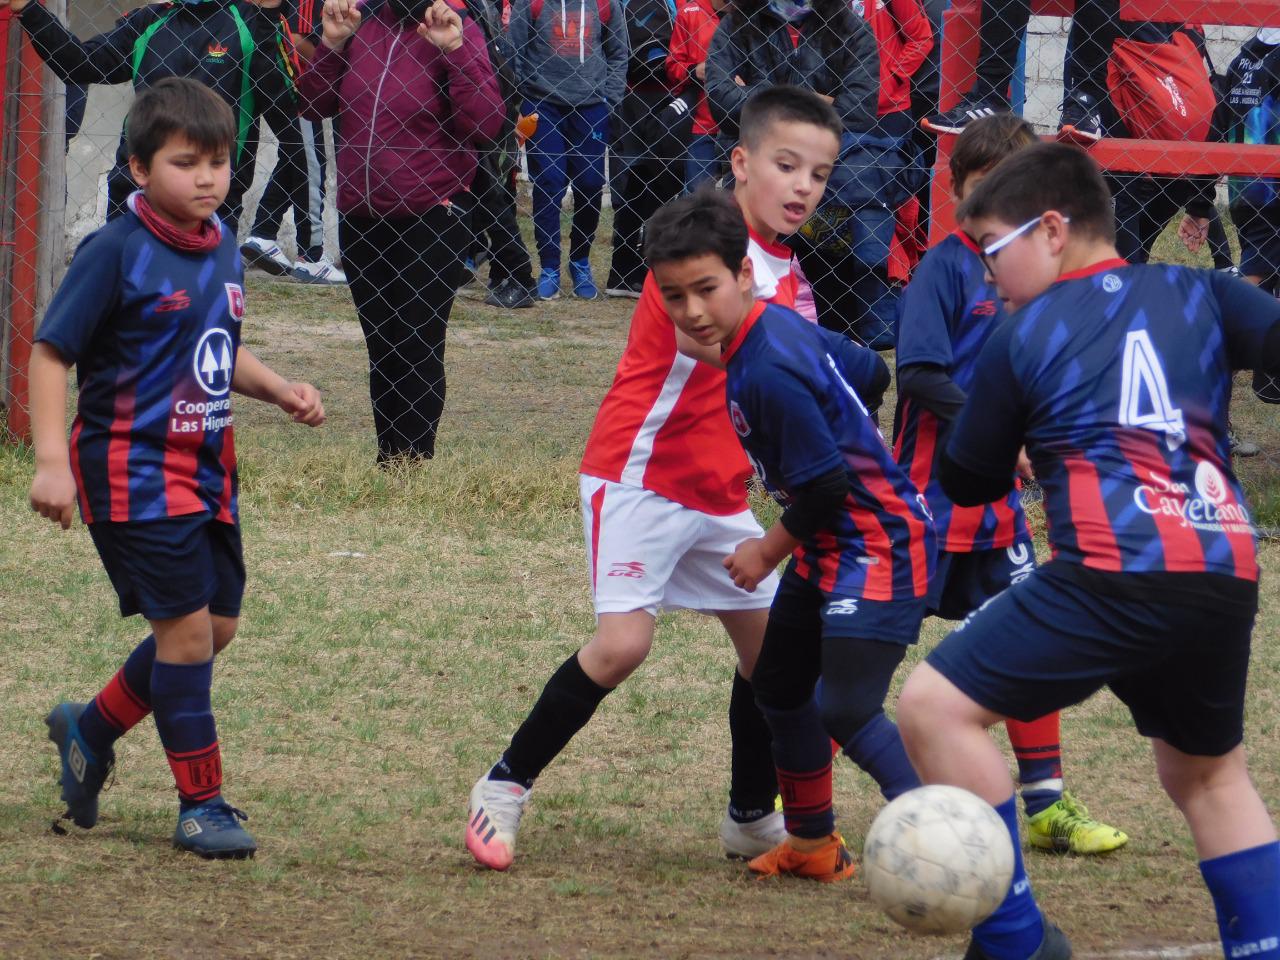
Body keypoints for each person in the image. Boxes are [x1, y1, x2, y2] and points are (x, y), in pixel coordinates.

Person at [897, 142, 1280, 960]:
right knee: (1208, 777)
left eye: (993, 251)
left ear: (1050, 229)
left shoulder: (1024, 328)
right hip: (1222, 567)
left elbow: (967, 479)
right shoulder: (1204, 289)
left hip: (1113, 570)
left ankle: (1017, 940)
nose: (988, 275)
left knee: (934, 709)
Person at [464, 87, 839, 873]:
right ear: (742, 164)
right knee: (623, 646)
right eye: (786, 166)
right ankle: (502, 787)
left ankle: (749, 817)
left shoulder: (783, 268)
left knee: (771, 657)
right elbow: (730, 349)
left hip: (716, 490)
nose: (803, 186)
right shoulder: (696, 250)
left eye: (819, 173)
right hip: (640, 476)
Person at [27, 78, 325, 858]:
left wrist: (277, 388)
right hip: (132, 473)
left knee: (214, 627)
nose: (206, 179)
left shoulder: (221, 242)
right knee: (187, 636)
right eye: (186, 163)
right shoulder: (114, 253)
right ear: (137, 167)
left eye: (219, 164)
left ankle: (87, 733)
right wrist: (52, 462)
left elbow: (217, 347)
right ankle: (203, 806)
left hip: (206, 472)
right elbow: (51, 353)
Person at [650, 187, 934, 883]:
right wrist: (838, 407)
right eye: (673, 296)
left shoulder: (768, 369)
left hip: (878, 544)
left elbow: (829, 486)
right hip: (830, 542)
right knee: (777, 683)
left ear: (746, 274)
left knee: (844, 703)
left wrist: (764, 550)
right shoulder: (770, 330)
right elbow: (869, 369)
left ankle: (936, 834)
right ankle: (811, 843)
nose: (691, 312)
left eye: (706, 290)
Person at [893, 113, 1127, 855]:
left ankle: (1048, 803)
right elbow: (922, 371)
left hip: (997, 506)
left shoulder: (1044, 280)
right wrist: (994, 429)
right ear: (959, 190)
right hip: (927, 499)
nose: (998, 195)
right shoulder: (946, 266)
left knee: (1025, 640)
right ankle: (798, 780)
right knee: (867, 646)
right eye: (982, 181)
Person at [298, 0, 504, 463]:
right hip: (362, 215)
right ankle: (387, 457)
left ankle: (412, 461)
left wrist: (453, 50)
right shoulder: (363, 24)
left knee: (417, 339)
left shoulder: (457, 26)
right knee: (382, 343)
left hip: (431, 213)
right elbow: (312, 104)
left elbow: (486, 123)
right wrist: (331, 42)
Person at [705, 0, 903, 349]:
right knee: (747, 311)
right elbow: (721, 100)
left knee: (836, 319)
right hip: (755, 190)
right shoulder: (737, 25)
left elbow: (858, 112)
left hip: (829, 195)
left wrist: (760, 103)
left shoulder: (851, 29)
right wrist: (818, 103)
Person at [3, 0, 301, 230]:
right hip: (133, 196)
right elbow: (81, 64)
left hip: (209, 205)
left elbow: (282, 104)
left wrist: (270, 15)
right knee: (126, 304)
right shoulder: (148, 20)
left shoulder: (254, 22)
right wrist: (29, 9)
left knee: (196, 306)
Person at [509, 0, 629, 300]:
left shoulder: (605, 4)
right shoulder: (532, 2)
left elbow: (618, 52)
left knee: (590, 183)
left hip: (591, 107)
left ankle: (579, 260)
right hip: (543, 105)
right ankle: (549, 265)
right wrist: (527, 94)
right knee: (549, 181)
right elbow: (515, 49)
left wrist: (608, 100)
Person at [241, 0, 349, 285]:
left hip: (288, 74)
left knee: (297, 156)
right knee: (309, 161)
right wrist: (334, 72)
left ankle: (262, 234)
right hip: (295, 79)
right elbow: (298, 38)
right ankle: (311, 257)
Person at [667, 0, 729, 193]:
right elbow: (672, 66)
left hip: (743, 122)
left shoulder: (751, 14)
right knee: (698, 194)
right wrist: (693, 71)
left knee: (742, 197)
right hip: (702, 124)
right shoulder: (690, 12)